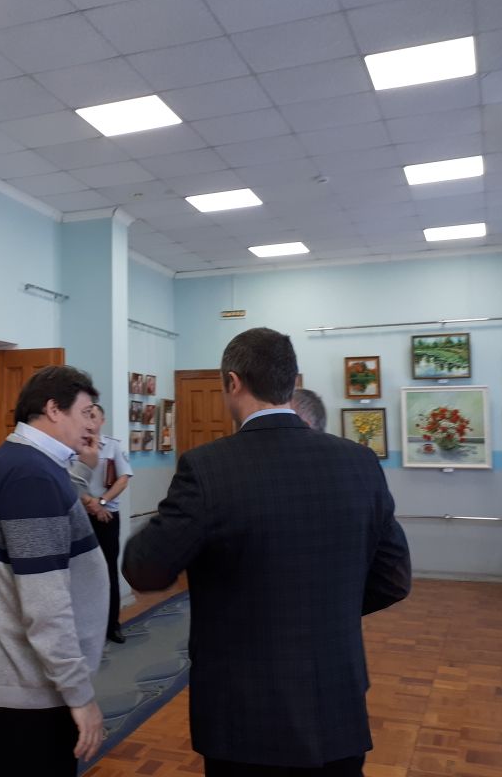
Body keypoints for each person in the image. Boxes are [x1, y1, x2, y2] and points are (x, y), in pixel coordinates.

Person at [123, 329, 411, 777]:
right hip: (335, 697)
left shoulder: (208, 467)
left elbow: (144, 568)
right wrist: (328, 610)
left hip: (244, 710)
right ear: (291, 382)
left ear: (233, 382)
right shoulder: (359, 462)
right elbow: (393, 578)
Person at [0, 365, 108, 777]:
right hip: (32, 685)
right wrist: (79, 693)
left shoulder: (27, 462)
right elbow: (44, 601)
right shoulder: (30, 475)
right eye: (85, 413)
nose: (92, 425)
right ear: (53, 409)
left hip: (32, 680)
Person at [72, 404, 133, 644]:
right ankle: (83, 624)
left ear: (102, 421)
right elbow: (70, 479)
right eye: (85, 415)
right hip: (81, 514)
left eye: (93, 416)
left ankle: (112, 625)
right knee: (79, 569)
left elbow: (123, 479)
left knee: (108, 570)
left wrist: (102, 502)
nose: (89, 420)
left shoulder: (112, 445)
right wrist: (90, 503)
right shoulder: (74, 444)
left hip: (107, 516)